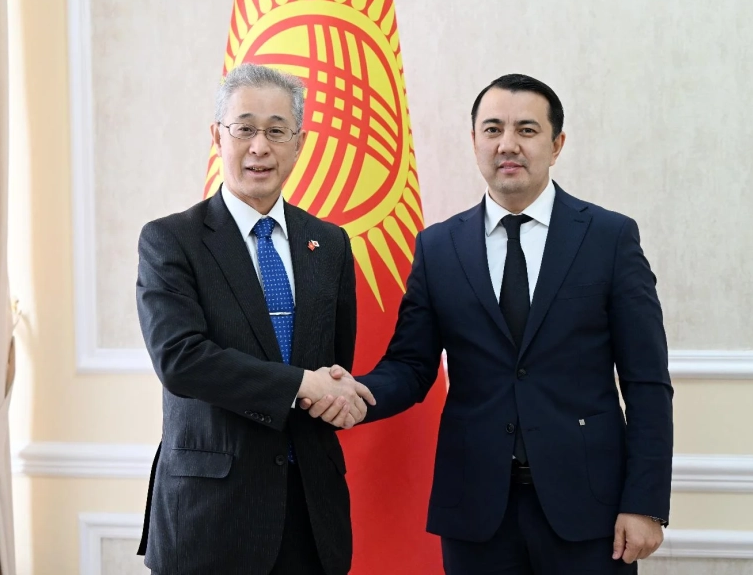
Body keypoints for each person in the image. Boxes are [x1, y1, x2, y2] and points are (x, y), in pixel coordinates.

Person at [307, 74, 673, 573]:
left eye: (527, 130)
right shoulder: (439, 247)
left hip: (590, 510)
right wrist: (353, 394)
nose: (508, 144)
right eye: (493, 129)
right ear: (475, 140)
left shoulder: (609, 238)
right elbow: (411, 366)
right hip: (475, 512)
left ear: (556, 144)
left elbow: (647, 382)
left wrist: (645, 502)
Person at [135, 62, 374, 575]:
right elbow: (181, 360)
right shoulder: (171, 241)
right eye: (244, 129)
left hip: (312, 513)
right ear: (217, 136)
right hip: (211, 518)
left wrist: (337, 396)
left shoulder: (329, 244)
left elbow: (334, 362)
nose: (259, 147)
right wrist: (302, 384)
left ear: (299, 143)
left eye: (276, 131)